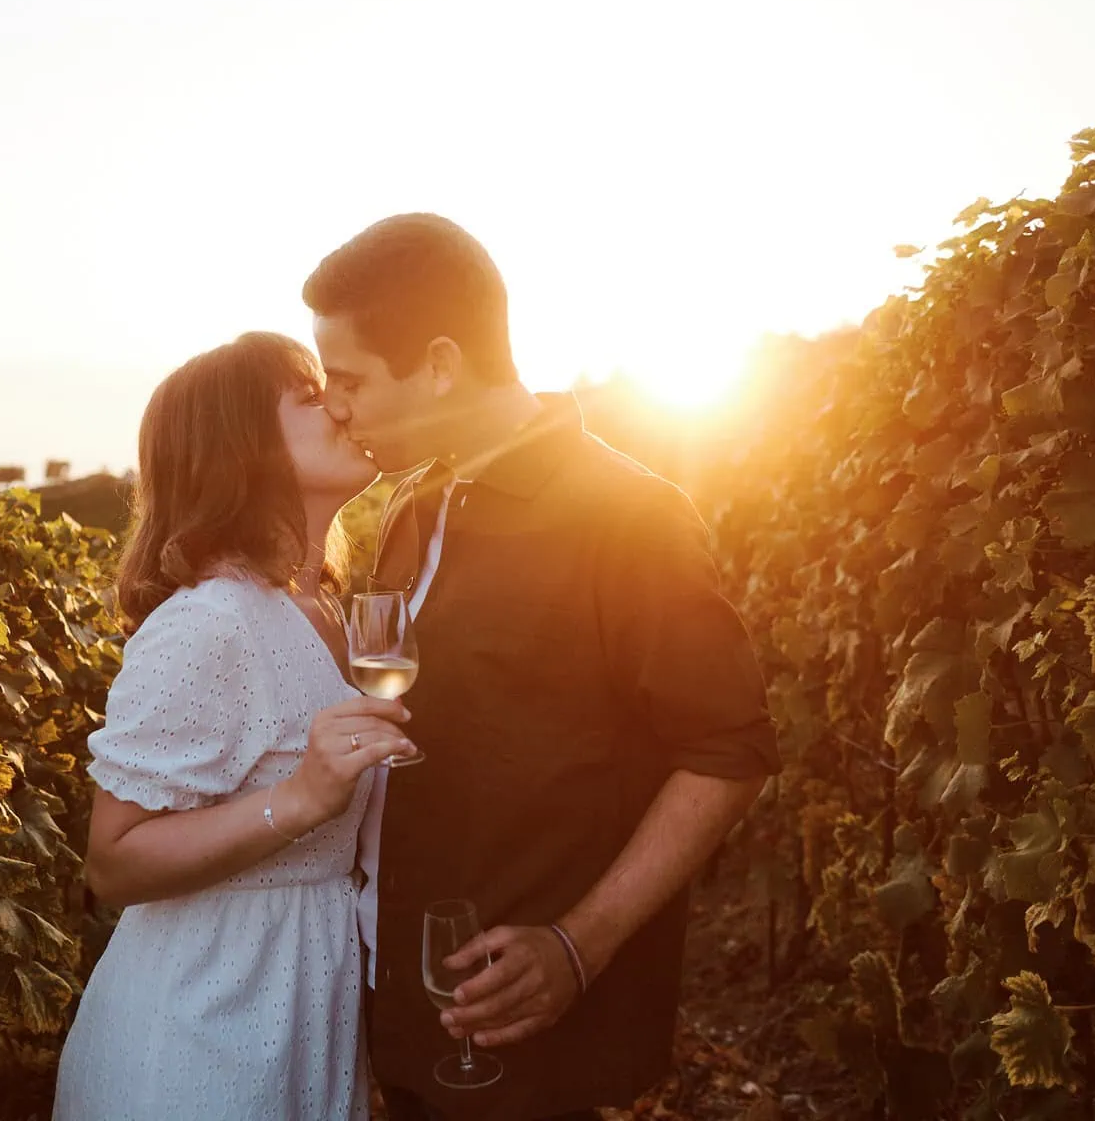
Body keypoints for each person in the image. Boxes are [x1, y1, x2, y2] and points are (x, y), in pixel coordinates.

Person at [304, 214, 782, 1121]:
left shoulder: (628, 516)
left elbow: (729, 753)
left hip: (538, 1053)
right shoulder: (414, 500)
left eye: (351, 378)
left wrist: (578, 945)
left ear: (440, 364)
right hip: (408, 1023)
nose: (336, 404)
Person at [53, 332, 415, 1121]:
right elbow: (112, 862)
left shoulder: (325, 610)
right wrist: (301, 798)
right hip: (203, 1023)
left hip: (301, 999)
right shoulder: (207, 624)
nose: (343, 407)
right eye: (312, 397)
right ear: (241, 445)